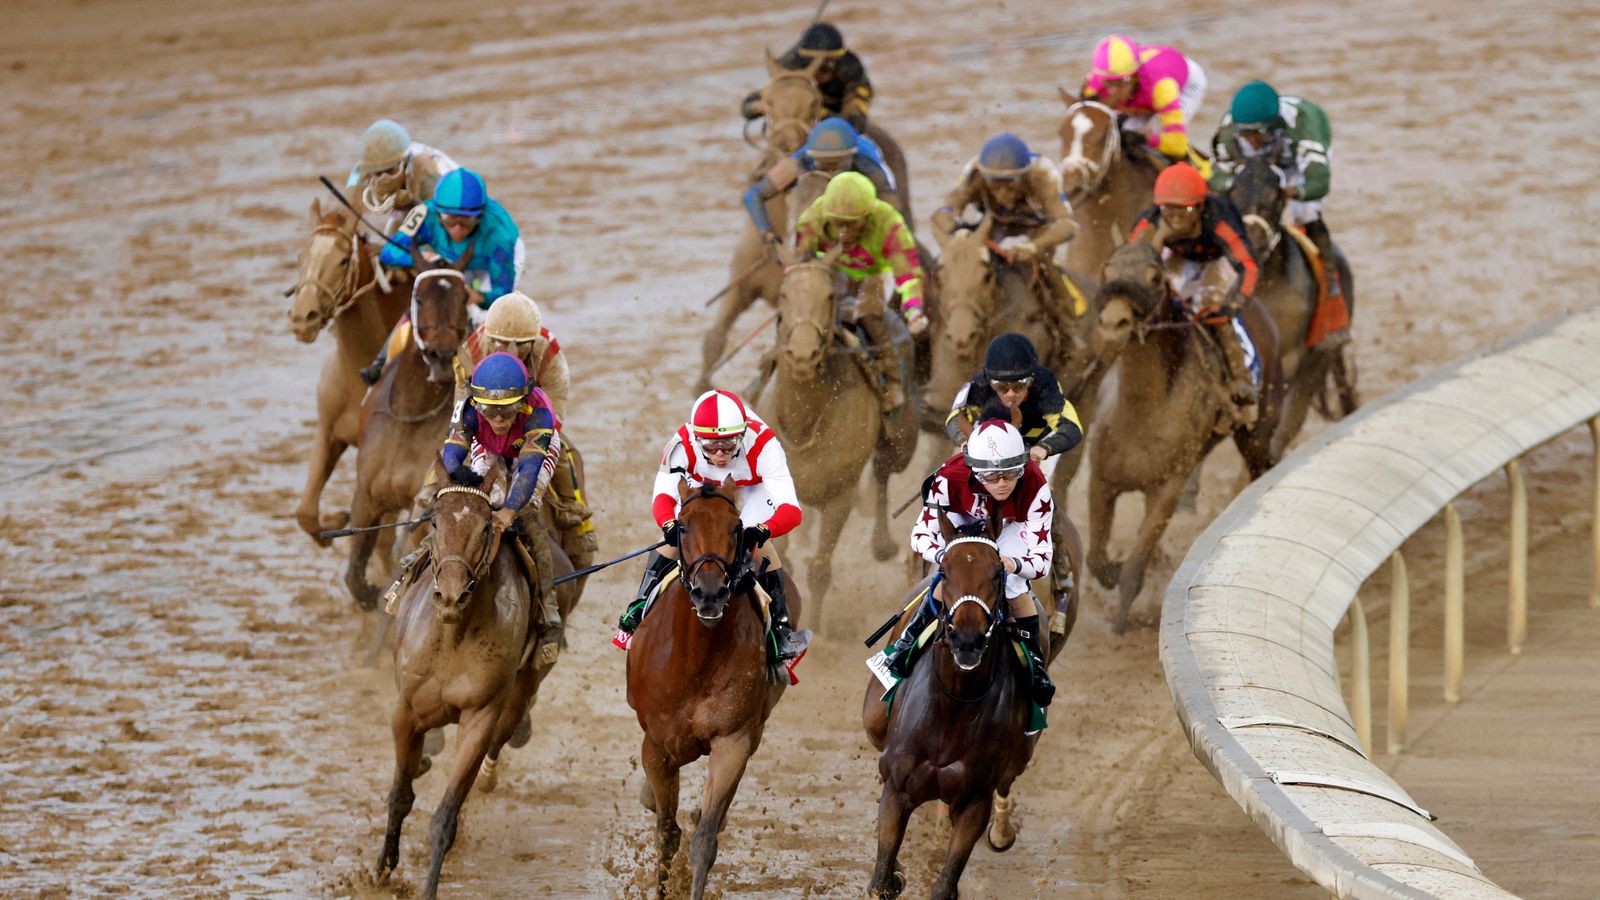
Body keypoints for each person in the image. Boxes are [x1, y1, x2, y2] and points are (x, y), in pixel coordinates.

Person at [615, 390, 811, 668]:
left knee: (755, 545)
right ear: (696, 440)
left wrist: (763, 530)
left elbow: (791, 510)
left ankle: (781, 630)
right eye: (711, 447)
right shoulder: (681, 445)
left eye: (729, 446)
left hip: (752, 486)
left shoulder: (765, 445)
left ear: (742, 436)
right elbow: (663, 497)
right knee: (675, 539)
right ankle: (639, 606)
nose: (720, 454)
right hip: (701, 483)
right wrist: (669, 525)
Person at [390, 353, 564, 648]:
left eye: (507, 410)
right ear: (476, 403)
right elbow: (452, 457)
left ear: (523, 401)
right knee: (465, 506)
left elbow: (528, 471)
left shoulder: (539, 413)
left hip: (532, 450)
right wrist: (455, 492)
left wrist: (509, 510)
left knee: (528, 512)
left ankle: (547, 604)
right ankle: (413, 566)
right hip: (489, 447)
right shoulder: (467, 409)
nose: (498, 419)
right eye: (489, 410)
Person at [887, 419, 1056, 717]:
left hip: (1010, 526)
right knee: (955, 574)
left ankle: (1035, 664)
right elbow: (920, 536)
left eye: (1012, 472)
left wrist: (1014, 563)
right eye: (991, 474)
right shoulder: (948, 478)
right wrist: (945, 557)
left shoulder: (1036, 485)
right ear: (974, 470)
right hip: (962, 518)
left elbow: (1041, 559)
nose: (1002, 482)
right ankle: (908, 640)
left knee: (1013, 582)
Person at [414, 292, 596, 568]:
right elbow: (461, 410)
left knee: (562, 451)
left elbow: (555, 412)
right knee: (450, 452)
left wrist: (519, 438)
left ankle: (572, 509)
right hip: (486, 422)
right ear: (488, 336)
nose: (509, 349)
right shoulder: (470, 352)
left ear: (532, 341)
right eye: (500, 342)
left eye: (520, 345)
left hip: (530, 420)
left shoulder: (549, 356)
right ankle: (427, 496)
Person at [1210, 80, 1346, 345]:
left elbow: (1319, 183)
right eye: (1245, 134)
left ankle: (1330, 277)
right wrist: (1238, 187)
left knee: (1305, 214)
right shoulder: (1229, 131)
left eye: (1257, 134)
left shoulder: (1304, 127)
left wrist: (1286, 192)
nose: (1250, 140)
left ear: (1273, 127)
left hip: (1293, 163)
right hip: (1255, 164)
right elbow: (1215, 179)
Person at [361, 168, 526, 385]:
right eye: (450, 219)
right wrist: (421, 257)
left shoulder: (498, 234)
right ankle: (380, 362)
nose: (457, 228)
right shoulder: (424, 214)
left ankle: (500, 377)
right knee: (428, 302)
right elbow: (389, 252)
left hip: (489, 265)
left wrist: (479, 297)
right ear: (438, 214)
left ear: (479, 217)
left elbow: (502, 294)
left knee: (483, 316)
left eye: (466, 221)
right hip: (449, 260)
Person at [1128, 162, 1262, 423]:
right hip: (1179, 257)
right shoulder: (1150, 220)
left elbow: (1248, 265)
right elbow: (1131, 265)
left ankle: (1242, 379)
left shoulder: (1220, 219)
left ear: (1201, 207)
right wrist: (1159, 238)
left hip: (1218, 259)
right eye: (1168, 209)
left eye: (1185, 209)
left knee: (1208, 304)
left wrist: (1234, 304)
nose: (1175, 217)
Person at [792, 172, 928, 411]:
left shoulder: (889, 223)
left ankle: (892, 380)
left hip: (875, 272)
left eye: (852, 223)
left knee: (868, 312)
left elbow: (908, 275)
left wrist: (913, 309)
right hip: (832, 269)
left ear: (868, 215)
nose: (843, 232)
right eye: (837, 223)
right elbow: (801, 264)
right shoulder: (812, 219)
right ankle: (771, 367)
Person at [930, 133, 1080, 318]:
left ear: (1024, 177)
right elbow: (942, 214)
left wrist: (1033, 246)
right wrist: (957, 236)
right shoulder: (974, 173)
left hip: (1035, 229)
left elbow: (1068, 225)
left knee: (1045, 264)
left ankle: (1067, 319)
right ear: (985, 179)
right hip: (994, 225)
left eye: (1011, 187)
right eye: (995, 187)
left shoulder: (1043, 174)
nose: (1003, 194)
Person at [743, 117, 899, 248]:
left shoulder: (868, 166)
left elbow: (892, 209)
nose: (830, 171)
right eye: (824, 165)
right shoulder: (800, 161)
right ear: (812, 157)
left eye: (835, 165)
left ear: (851, 157)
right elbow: (753, 195)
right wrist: (767, 233)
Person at [1081, 34, 1207, 166]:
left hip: (1187, 86)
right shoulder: (1093, 85)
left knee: (1158, 137)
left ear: (1134, 77)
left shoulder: (1162, 88)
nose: (1112, 91)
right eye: (1108, 83)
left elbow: (1177, 144)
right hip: (1143, 91)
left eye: (1119, 83)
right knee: (1120, 134)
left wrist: (1145, 138)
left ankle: (1199, 169)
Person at [741, 22, 874, 132]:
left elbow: (858, 104)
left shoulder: (850, 66)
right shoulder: (789, 67)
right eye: (818, 64)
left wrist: (834, 118)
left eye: (831, 63)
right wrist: (760, 107)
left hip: (838, 113)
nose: (824, 70)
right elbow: (748, 106)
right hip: (799, 124)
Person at [344, 119, 459, 228]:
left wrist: (411, 205)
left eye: (389, 171)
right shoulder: (363, 169)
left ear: (405, 163)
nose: (382, 178)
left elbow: (442, 225)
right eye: (377, 173)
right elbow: (347, 219)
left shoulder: (429, 174)